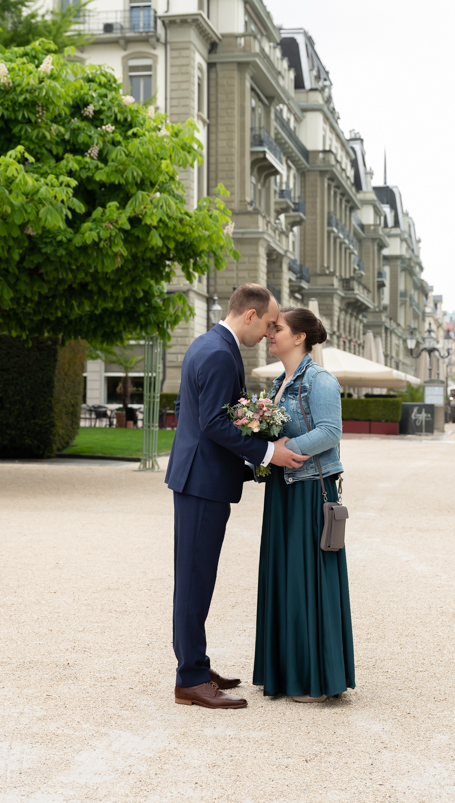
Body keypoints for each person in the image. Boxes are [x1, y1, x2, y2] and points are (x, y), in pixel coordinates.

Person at [166, 285, 310, 710]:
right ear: (249, 315)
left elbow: (191, 410)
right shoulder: (217, 353)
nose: (268, 333)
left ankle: (195, 662)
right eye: (267, 324)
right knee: (194, 582)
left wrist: (249, 462)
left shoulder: (207, 345)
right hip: (200, 484)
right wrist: (269, 452)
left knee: (197, 579)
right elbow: (212, 422)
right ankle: (190, 679)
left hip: (201, 479)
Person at [254, 307, 355, 703]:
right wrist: (263, 450)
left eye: (277, 329)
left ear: (299, 337)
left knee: (306, 579)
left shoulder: (321, 380)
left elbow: (330, 432)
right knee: (284, 577)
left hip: (310, 489)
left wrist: (282, 451)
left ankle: (314, 680)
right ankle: (284, 674)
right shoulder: (279, 382)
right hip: (283, 489)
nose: (269, 333)